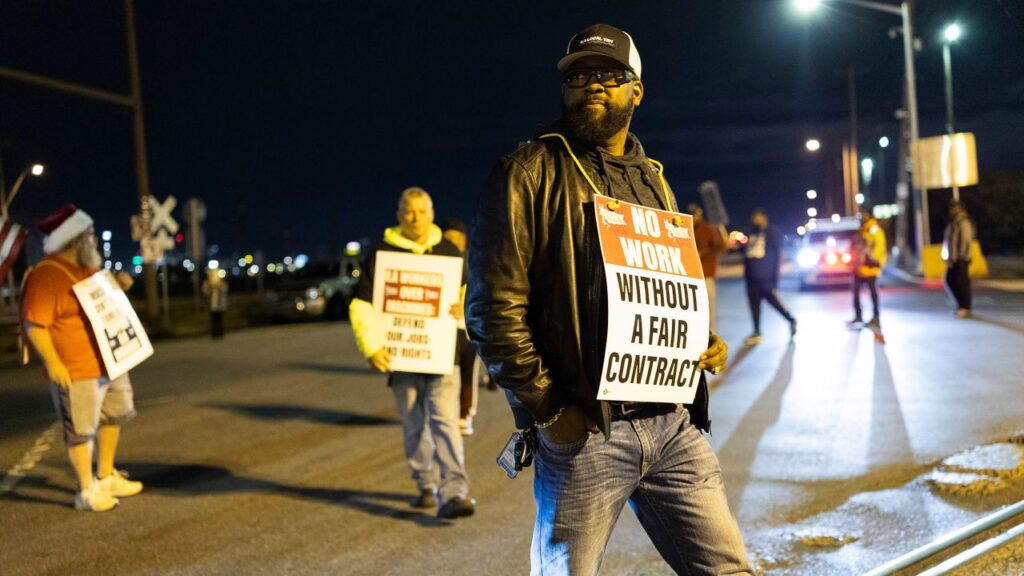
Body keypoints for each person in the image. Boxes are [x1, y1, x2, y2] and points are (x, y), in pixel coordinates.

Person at [466, 24, 752, 575]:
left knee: (729, 570)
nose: (591, 84)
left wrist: (699, 343)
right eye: (578, 76)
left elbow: (663, 289)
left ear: (636, 89)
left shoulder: (655, 181)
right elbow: (491, 309)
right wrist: (549, 410)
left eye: (608, 74)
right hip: (587, 432)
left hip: (674, 426)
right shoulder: (526, 173)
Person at [348, 187, 475, 519]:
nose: (415, 217)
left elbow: (468, 291)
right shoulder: (381, 253)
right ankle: (425, 483)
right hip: (400, 358)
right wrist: (371, 346)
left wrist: (464, 305)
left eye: (421, 211)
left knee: (446, 422)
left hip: (442, 356)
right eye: (408, 211)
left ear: (432, 213)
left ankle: (454, 493)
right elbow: (361, 304)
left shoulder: (448, 251)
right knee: (414, 423)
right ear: (398, 215)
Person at [20, 205, 144, 512]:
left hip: (109, 361)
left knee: (115, 415)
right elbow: (35, 324)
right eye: (89, 235)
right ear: (75, 239)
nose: (94, 240)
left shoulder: (86, 269)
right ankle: (86, 490)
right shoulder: (46, 275)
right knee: (81, 429)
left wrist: (120, 284)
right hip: (76, 368)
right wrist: (53, 362)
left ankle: (105, 475)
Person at [440, 217, 483, 436]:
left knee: (468, 373)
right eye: (448, 239)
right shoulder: (436, 261)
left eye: (457, 240)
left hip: (467, 328)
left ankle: (465, 415)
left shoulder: (474, 261)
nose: (453, 244)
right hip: (445, 330)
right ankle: (447, 414)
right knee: (448, 375)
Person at [742, 208, 796, 345]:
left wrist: (776, 275)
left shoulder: (772, 232)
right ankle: (756, 331)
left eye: (758, 217)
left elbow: (780, 253)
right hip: (751, 279)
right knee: (754, 306)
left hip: (766, 278)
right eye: (754, 217)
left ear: (764, 218)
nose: (756, 220)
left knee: (775, 303)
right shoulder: (750, 233)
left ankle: (791, 320)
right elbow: (744, 252)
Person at [688, 203, 727, 332]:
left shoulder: (707, 229)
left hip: (706, 274)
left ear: (700, 214)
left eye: (695, 214)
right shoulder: (687, 229)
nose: (694, 217)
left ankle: (712, 334)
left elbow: (720, 247)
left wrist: (703, 253)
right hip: (692, 276)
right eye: (691, 214)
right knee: (695, 308)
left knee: (709, 307)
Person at [849, 206, 887, 329]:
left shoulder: (873, 228)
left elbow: (880, 244)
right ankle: (858, 316)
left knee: (873, 295)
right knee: (856, 293)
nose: (861, 217)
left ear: (868, 215)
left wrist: (874, 259)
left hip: (870, 268)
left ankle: (876, 318)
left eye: (863, 214)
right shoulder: (864, 229)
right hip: (861, 268)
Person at [943, 199, 974, 318]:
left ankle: (965, 307)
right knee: (950, 280)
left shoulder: (963, 222)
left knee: (962, 283)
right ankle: (960, 305)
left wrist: (962, 256)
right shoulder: (953, 223)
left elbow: (966, 240)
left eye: (954, 207)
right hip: (954, 259)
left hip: (961, 259)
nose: (952, 210)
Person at [202, 268, 228, 339]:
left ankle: (220, 333)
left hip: (219, 305)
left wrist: (218, 286)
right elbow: (205, 292)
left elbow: (224, 290)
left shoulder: (221, 283)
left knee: (219, 319)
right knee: (213, 320)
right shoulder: (207, 283)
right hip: (212, 305)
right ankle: (214, 333)